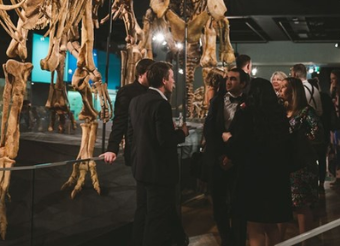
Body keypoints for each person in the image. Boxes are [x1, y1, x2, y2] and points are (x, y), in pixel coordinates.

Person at [221, 78, 292, 246]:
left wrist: (228, 139)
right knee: (271, 224)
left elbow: (240, 144)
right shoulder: (279, 114)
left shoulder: (246, 113)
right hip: (275, 174)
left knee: (255, 226)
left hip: (252, 174)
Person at [128, 61, 189, 246]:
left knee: (143, 213)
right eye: (172, 78)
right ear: (164, 80)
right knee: (156, 220)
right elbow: (165, 140)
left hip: (141, 169)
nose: (174, 82)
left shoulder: (136, 101)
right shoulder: (161, 104)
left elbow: (133, 134)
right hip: (158, 173)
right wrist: (182, 133)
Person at [203, 68, 250, 246]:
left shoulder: (249, 103)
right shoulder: (216, 101)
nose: (228, 82)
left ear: (243, 83)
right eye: (227, 78)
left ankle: (239, 241)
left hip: (238, 161)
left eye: (233, 79)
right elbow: (209, 130)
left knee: (239, 204)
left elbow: (249, 134)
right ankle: (226, 239)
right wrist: (221, 155)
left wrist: (232, 157)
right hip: (217, 160)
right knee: (219, 203)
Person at [280, 77, 323, 235]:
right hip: (285, 162)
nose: (280, 90)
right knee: (283, 203)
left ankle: (306, 242)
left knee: (301, 204)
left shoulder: (305, 112)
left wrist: (301, 140)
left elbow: (318, 134)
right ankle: (279, 241)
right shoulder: (282, 111)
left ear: (294, 91)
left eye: (284, 86)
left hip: (302, 164)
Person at [100, 58, 153, 165]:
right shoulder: (127, 92)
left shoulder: (154, 92)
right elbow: (120, 120)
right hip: (137, 150)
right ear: (140, 74)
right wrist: (112, 148)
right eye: (150, 73)